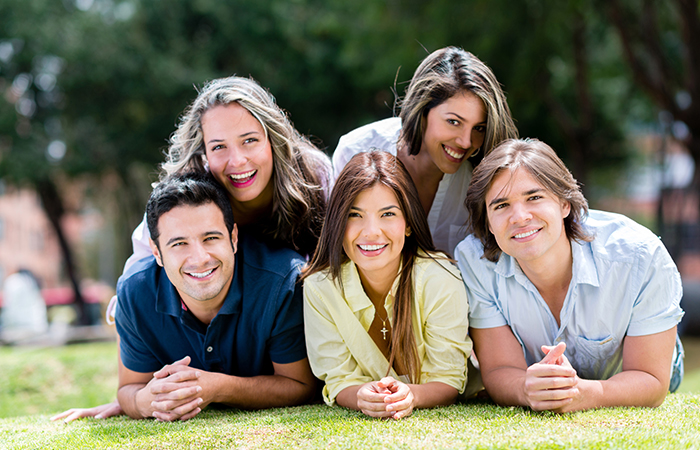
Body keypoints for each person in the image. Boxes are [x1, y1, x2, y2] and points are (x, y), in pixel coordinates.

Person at [53, 75, 330, 422]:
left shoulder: (313, 178)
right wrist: (135, 400)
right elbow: (145, 270)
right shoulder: (190, 195)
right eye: (219, 147)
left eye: (249, 140)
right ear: (203, 152)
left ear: (273, 138)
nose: (237, 160)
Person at [455, 138, 685, 413]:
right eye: (501, 205)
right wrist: (527, 389)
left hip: (639, 366)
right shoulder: (475, 261)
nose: (519, 217)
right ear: (488, 222)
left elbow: (652, 380)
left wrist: (587, 392)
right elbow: (500, 370)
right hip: (536, 376)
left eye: (534, 197)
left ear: (565, 204)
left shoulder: (639, 256)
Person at [119, 172, 314, 420]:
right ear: (156, 252)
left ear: (233, 238)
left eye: (210, 238)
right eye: (179, 244)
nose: (200, 258)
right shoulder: (135, 291)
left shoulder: (282, 282)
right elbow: (128, 389)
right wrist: (144, 402)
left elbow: (301, 387)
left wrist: (217, 387)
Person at [303, 151, 473, 420]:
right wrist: (361, 396)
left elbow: (448, 379)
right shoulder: (320, 288)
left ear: (407, 224)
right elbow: (338, 378)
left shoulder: (439, 278)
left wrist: (411, 396)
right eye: (355, 215)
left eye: (388, 214)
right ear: (338, 222)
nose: (371, 231)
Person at [332, 46, 518, 256]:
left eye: (479, 128)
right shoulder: (355, 150)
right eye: (454, 122)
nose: (466, 142)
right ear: (422, 111)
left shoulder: (479, 183)